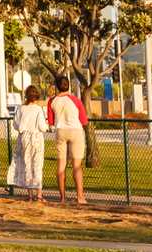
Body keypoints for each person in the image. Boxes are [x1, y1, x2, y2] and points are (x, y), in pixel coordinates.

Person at [46, 74, 89, 205]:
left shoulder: (51, 101)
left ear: (57, 87)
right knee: (77, 166)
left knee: (60, 166)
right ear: (68, 85)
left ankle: (62, 198)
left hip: (60, 131)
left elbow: (51, 121)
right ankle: (80, 197)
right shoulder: (75, 100)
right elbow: (84, 120)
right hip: (75, 131)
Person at [9, 85, 48, 202]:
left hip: (24, 138)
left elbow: (15, 124)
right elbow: (42, 127)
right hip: (36, 138)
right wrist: (46, 126)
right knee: (37, 165)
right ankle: (39, 194)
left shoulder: (21, 109)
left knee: (27, 165)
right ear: (36, 96)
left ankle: (30, 195)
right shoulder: (38, 109)